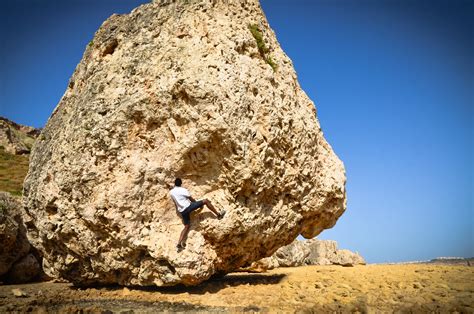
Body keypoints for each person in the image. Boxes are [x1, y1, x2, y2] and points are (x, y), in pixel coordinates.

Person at [170, 178, 225, 251]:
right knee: (205, 201)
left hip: (182, 211)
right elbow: (191, 199)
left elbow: (174, 190)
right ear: (181, 183)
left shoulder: (171, 192)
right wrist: (198, 205)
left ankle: (179, 244)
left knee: (186, 226)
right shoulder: (183, 190)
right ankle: (218, 215)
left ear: (175, 184)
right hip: (188, 207)